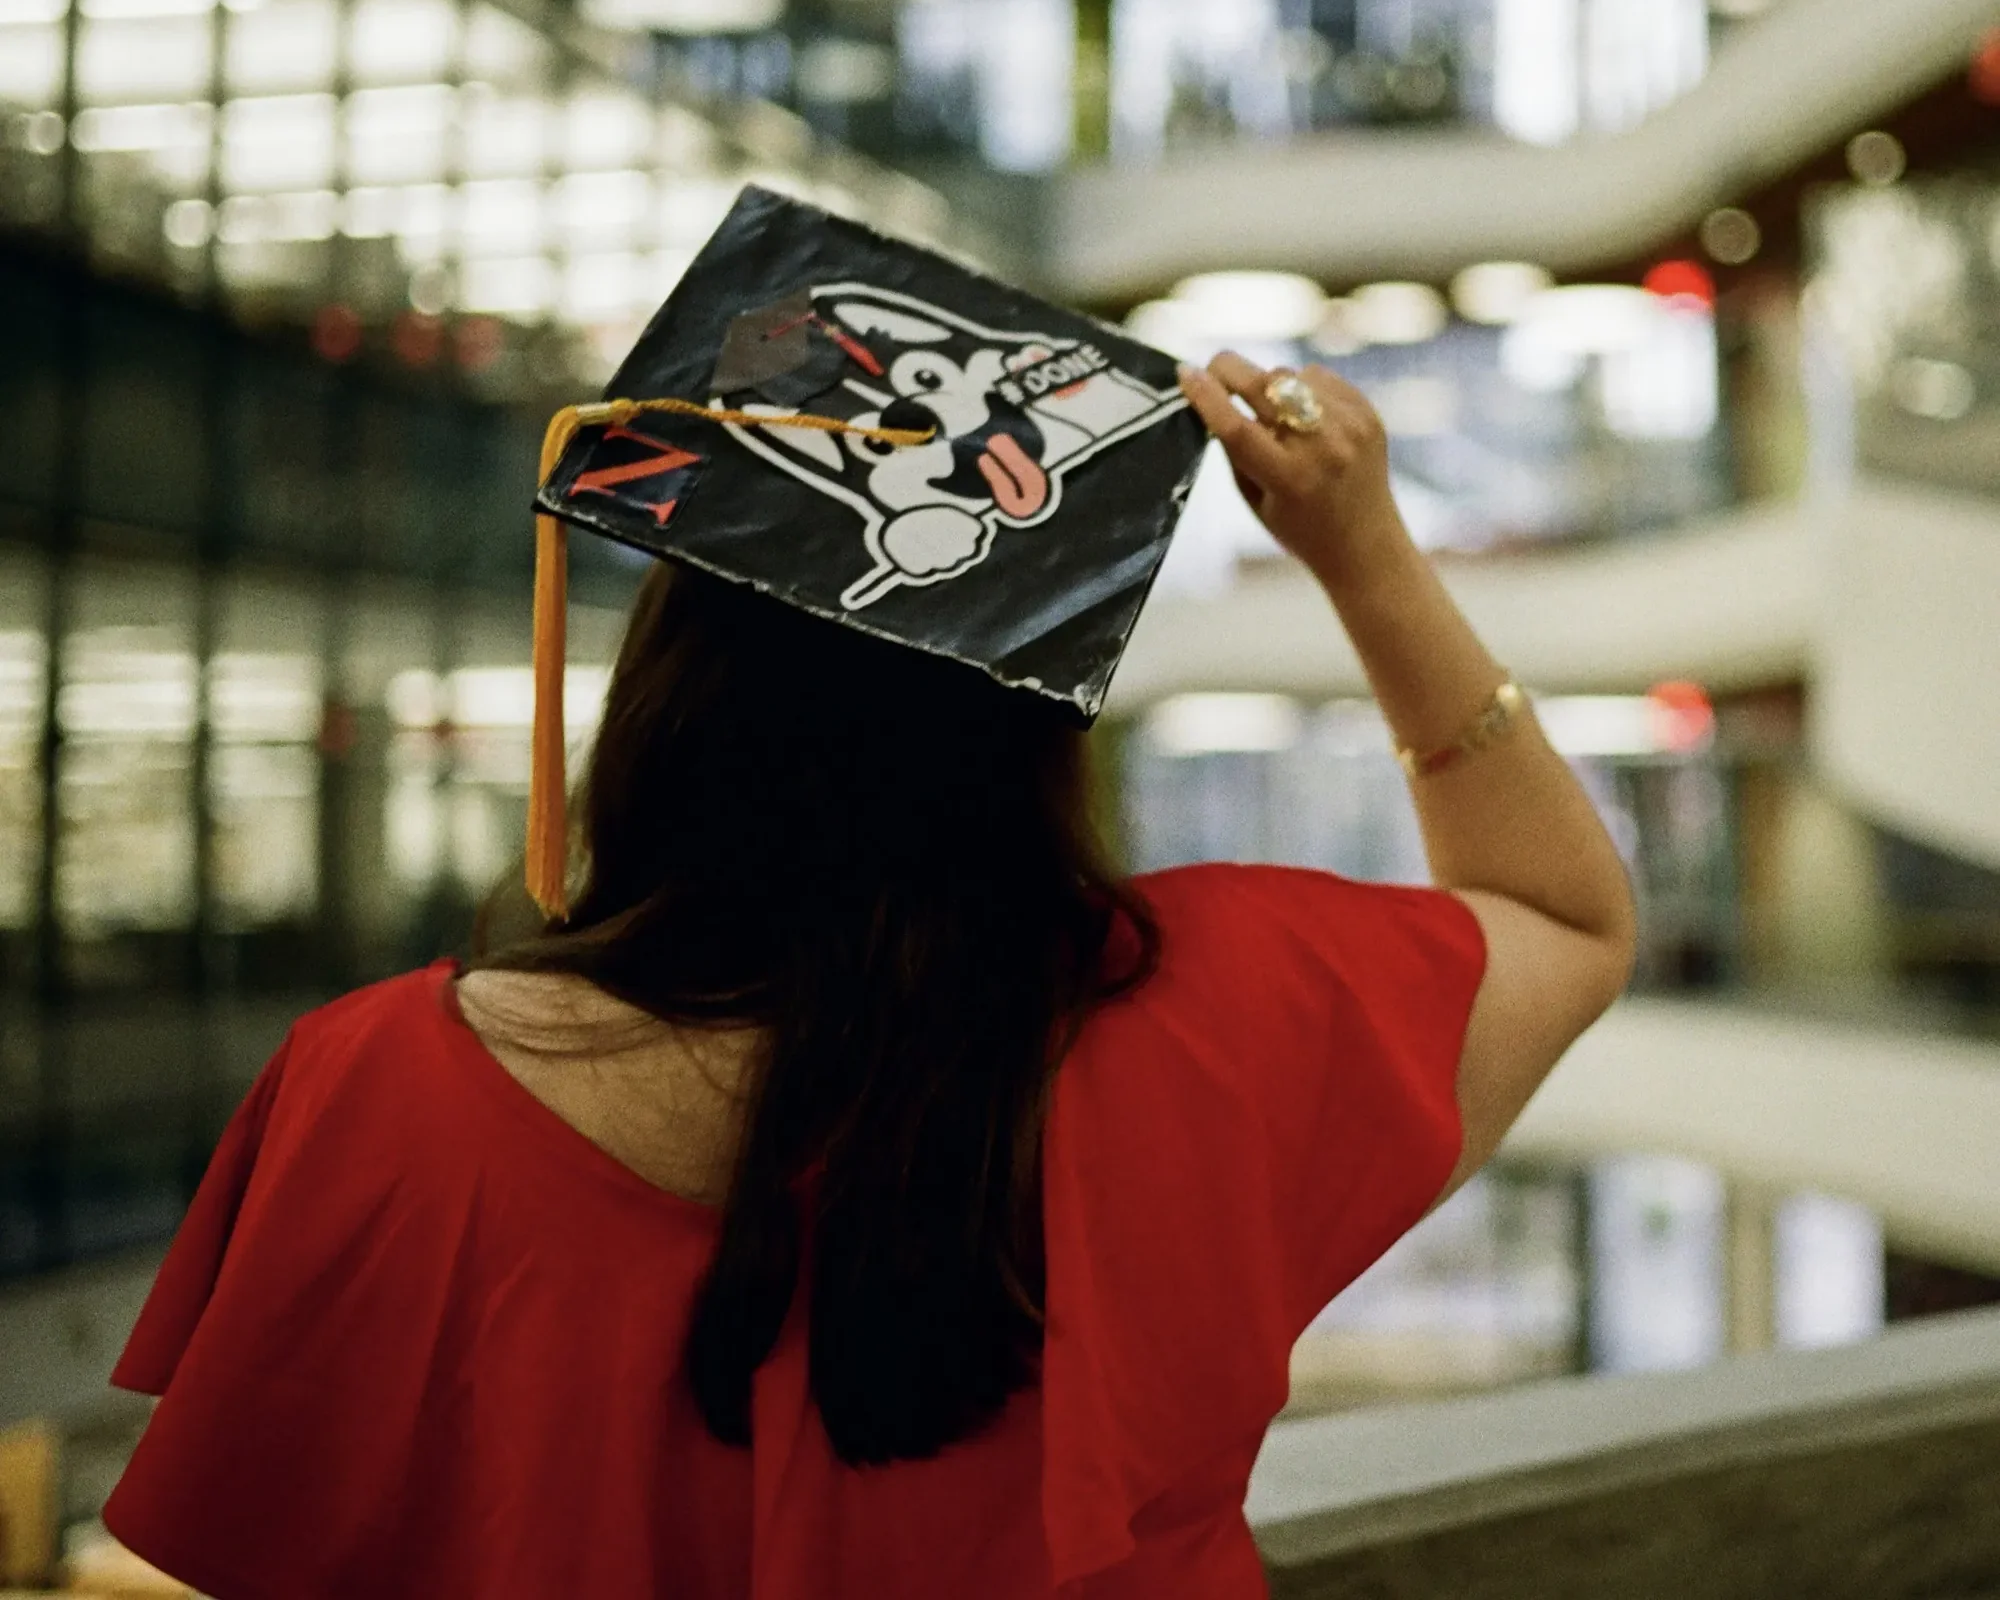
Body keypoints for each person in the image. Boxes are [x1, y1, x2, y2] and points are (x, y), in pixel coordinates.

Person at [100, 216, 1633, 1598]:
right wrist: (1358, 549)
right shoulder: (1225, 1018)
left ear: (665, 694)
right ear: (1025, 737)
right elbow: (1562, 915)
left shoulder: (374, 1094)